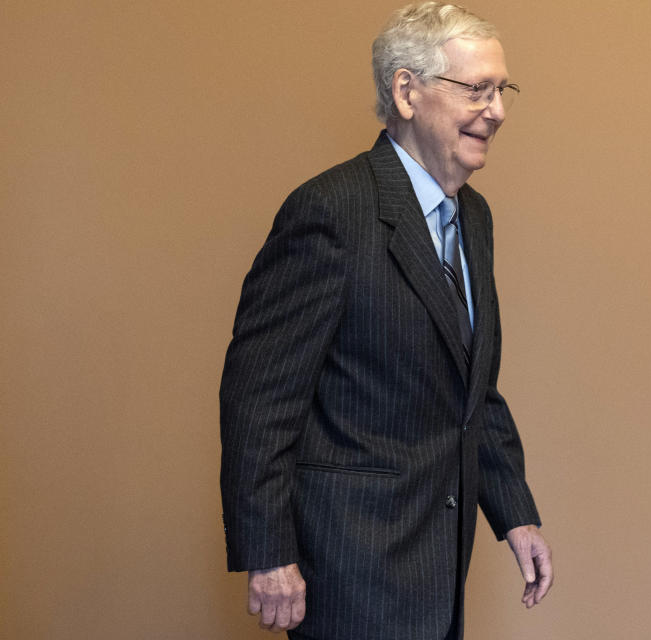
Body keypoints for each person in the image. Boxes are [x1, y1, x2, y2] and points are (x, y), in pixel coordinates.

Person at [219, 3, 552, 638]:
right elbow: (258, 399)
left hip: (438, 567)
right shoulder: (330, 211)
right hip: (351, 570)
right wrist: (268, 555)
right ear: (407, 91)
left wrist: (514, 514)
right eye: (476, 89)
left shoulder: (473, 218)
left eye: (501, 89)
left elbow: (472, 387)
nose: (498, 110)